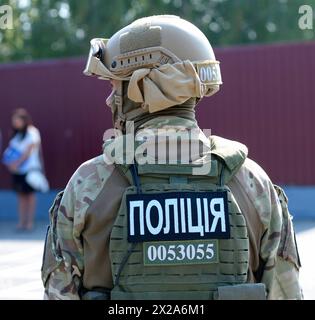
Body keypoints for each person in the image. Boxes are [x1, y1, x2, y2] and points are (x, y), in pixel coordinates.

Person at [41, 15, 302, 300]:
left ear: (143, 87)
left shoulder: (89, 183)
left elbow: (59, 292)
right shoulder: (253, 181)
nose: (109, 99)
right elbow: (285, 291)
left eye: (116, 86)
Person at [2, 109, 42, 231]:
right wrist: (10, 164)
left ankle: (29, 222)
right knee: (21, 196)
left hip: (29, 170)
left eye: (17, 120)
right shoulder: (16, 134)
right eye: (14, 120)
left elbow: (29, 150)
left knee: (30, 195)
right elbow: (11, 151)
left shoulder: (32, 132)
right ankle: (22, 222)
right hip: (17, 171)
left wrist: (17, 163)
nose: (15, 122)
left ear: (24, 120)